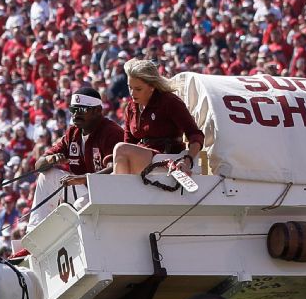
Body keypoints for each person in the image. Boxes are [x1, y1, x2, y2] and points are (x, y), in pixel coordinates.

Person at [27, 87, 125, 229]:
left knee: (80, 204)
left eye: (82, 110)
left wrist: (84, 178)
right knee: (47, 175)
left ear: (97, 111)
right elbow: (38, 166)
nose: (76, 115)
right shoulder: (73, 133)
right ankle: (33, 233)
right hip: (83, 189)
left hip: (106, 194)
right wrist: (50, 160)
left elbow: (116, 169)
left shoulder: (111, 132)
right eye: (73, 110)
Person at [111, 59, 204, 176]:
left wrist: (187, 161)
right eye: (130, 87)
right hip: (144, 158)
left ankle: (122, 191)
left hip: (168, 157)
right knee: (113, 164)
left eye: (138, 89)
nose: (132, 93)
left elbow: (196, 135)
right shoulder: (131, 107)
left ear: (152, 87)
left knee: (120, 149)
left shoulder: (169, 102)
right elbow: (129, 142)